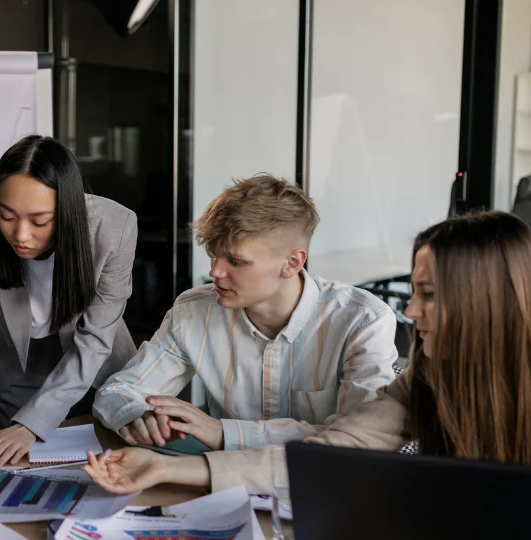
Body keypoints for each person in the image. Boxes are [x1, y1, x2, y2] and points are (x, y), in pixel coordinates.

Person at [81, 210, 531, 495]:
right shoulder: (426, 377)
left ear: (483, 299)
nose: (412, 311)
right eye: (415, 291)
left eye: (428, 294)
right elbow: (332, 454)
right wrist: (163, 468)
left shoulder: (362, 319)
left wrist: (221, 432)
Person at [93, 175, 397, 451]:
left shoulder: (362, 321)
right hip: (222, 487)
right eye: (213, 255)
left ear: (292, 262)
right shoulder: (193, 312)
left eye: (236, 262)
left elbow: (358, 440)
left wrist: (223, 432)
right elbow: (119, 390)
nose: (215, 272)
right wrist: (137, 414)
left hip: (324, 490)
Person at [0, 135, 139, 469]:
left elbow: (94, 340)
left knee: (102, 468)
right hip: (11, 368)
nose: (20, 235)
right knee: (21, 471)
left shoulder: (114, 229)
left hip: (94, 366)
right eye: (6, 215)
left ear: (68, 209)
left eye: (40, 221)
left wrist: (34, 422)